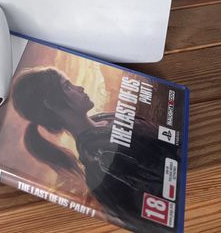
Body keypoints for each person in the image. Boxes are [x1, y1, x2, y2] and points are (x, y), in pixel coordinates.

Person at [11, 67, 175, 232]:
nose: (80, 88)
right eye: (67, 87)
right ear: (52, 104)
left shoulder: (105, 118)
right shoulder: (99, 159)